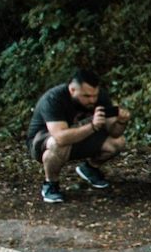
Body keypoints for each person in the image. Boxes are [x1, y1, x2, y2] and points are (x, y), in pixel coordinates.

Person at [26, 69, 132, 204]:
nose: (92, 100)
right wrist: (93, 126)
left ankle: (90, 169)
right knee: (57, 144)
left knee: (118, 142)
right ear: (72, 90)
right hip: (42, 143)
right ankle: (51, 184)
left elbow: (114, 133)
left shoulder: (101, 98)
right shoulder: (54, 98)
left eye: (95, 95)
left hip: (78, 138)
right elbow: (60, 137)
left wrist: (122, 122)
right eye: (86, 96)